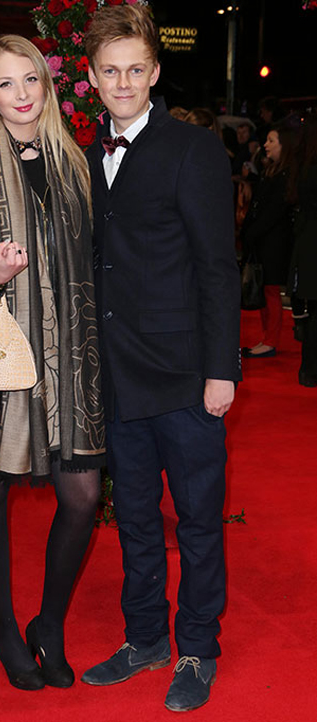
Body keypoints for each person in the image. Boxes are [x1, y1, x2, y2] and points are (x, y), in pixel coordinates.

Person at [81, 4, 241, 713]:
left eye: (135, 70)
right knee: (137, 519)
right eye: (110, 71)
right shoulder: (86, 155)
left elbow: (217, 267)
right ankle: (145, 638)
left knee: (199, 523)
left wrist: (222, 369)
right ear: (91, 77)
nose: (123, 83)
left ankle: (198, 648)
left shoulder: (192, 148)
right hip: (118, 375)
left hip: (184, 374)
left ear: (154, 72)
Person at [0, 34, 105, 691]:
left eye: (31, 79)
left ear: (47, 84)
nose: (22, 94)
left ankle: (50, 624)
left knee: (83, 495)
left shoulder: (74, 163)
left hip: (71, 352)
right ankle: (5, 627)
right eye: (5, 83)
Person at [241, 122, 296, 358]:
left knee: (270, 290)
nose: (266, 145)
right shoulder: (271, 171)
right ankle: (267, 339)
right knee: (264, 290)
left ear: (285, 145)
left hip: (274, 243)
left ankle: (271, 341)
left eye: (271, 141)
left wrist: (251, 232)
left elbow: (273, 211)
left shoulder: (286, 175)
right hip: (263, 240)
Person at [287, 113, 317, 386]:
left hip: (306, 242)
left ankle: (308, 369)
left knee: (312, 311)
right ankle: (309, 369)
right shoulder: (310, 167)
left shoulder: (302, 165)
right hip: (310, 241)